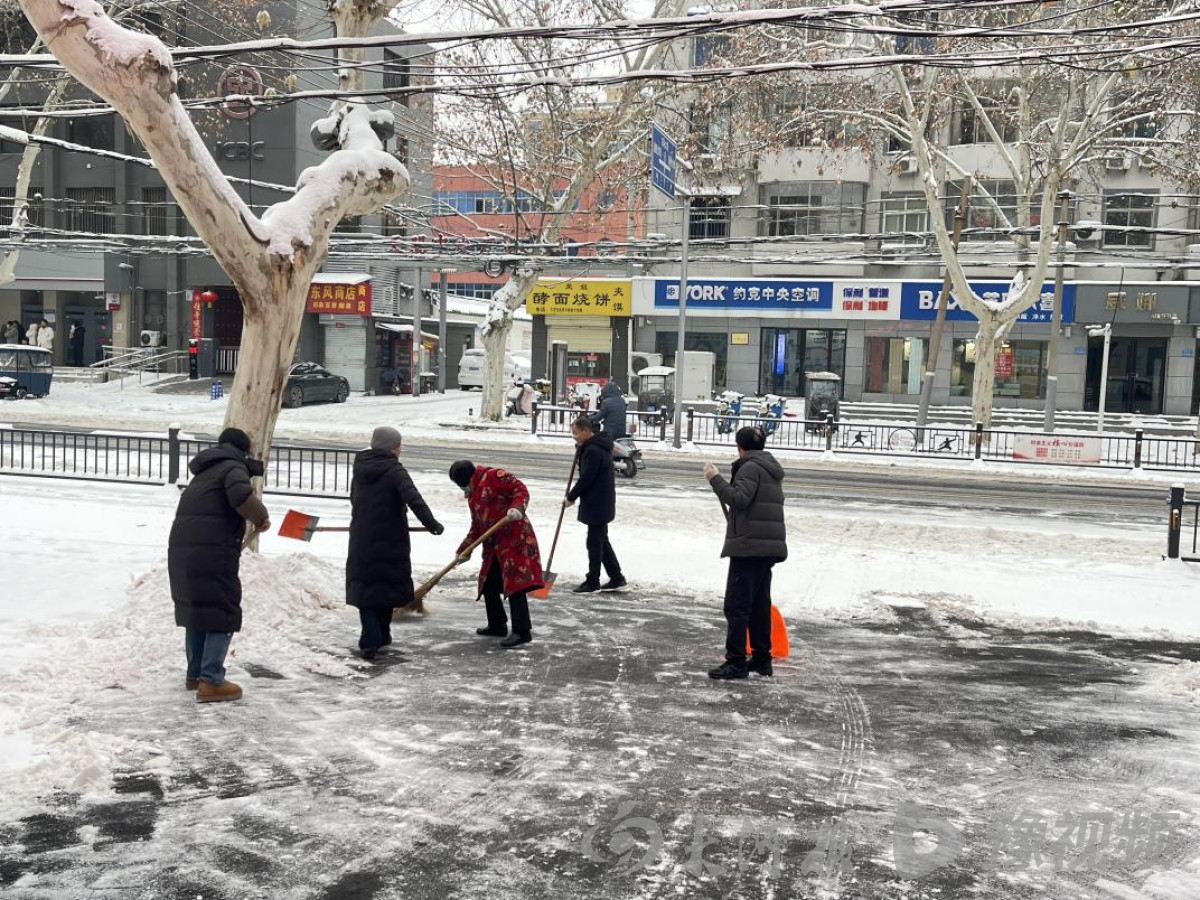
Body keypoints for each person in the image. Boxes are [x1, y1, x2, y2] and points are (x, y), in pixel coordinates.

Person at [168, 427, 271, 703]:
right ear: (243, 450)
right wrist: (261, 516)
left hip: (184, 551)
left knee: (198, 611)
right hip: (212, 552)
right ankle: (212, 680)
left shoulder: (204, 472)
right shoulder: (232, 467)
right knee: (221, 610)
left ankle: (195, 675)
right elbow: (241, 497)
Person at [346, 426, 444, 659]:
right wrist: (432, 525)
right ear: (391, 447)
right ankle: (376, 637)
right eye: (398, 446)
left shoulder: (360, 468)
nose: (399, 450)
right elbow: (415, 500)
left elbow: (354, 499)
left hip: (361, 536)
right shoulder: (394, 470)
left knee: (367, 587)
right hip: (390, 537)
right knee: (386, 586)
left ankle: (376, 637)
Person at [702, 426, 788, 680]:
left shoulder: (750, 467)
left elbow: (739, 499)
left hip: (750, 546)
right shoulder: (769, 466)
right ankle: (762, 659)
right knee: (759, 605)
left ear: (740, 446)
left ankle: (736, 661)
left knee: (737, 606)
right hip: (765, 545)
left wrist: (715, 479)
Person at [449, 460, 542, 648]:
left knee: (516, 583)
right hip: (494, 546)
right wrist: (464, 549)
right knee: (488, 582)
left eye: (463, 484)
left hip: (515, 540)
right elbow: (477, 526)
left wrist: (517, 507)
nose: (464, 489)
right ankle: (497, 624)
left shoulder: (494, 476)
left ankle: (522, 632)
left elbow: (520, 489)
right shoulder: (473, 495)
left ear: (469, 477)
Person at [566, 415, 625, 593]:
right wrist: (580, 449)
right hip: (602, 500)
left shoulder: (593, 450)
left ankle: (593, 581)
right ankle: (617, 578)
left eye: (576, 433)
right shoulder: (598, 445)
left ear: (585, 431)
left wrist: (571, 497)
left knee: (594, 543)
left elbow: (586, 479)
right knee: (601, 541)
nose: (574, 437)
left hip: (597, 502)